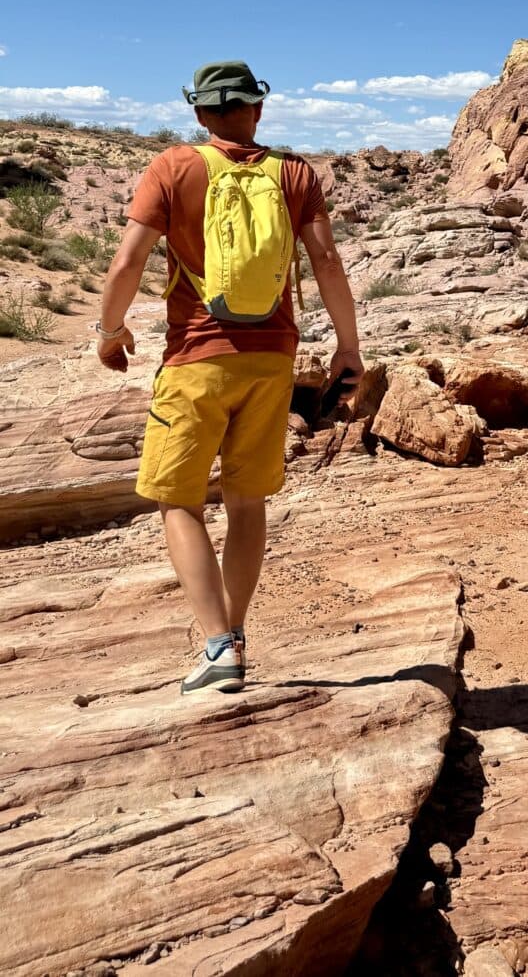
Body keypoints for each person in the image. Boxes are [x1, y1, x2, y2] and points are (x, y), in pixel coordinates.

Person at [96, 61, 364, 694]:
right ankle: (235, 636)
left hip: (196, 360)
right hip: (272, 360)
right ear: (257, 109)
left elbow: (128, 261)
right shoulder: (294, 173)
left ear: (199, 114)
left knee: (179, 501)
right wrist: (348, 347)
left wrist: (110, 332)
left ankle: (218, 648)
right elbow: (326, 260)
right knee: (247, 502)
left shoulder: (172, 167)